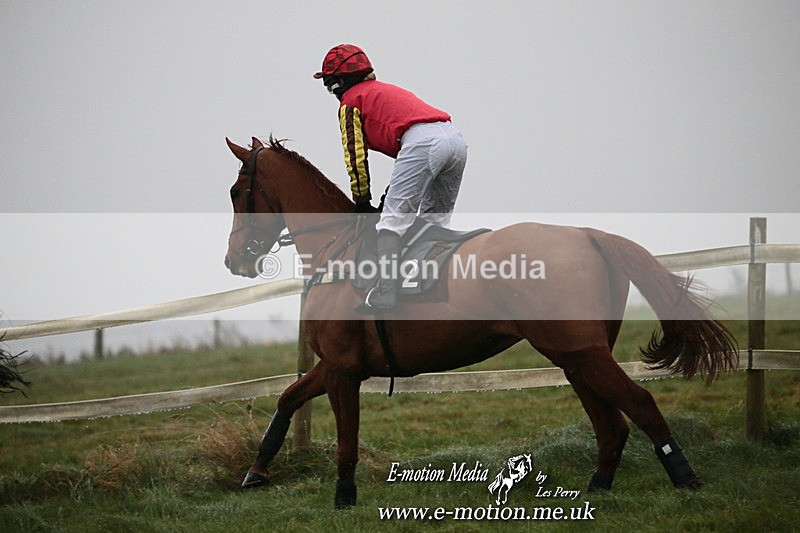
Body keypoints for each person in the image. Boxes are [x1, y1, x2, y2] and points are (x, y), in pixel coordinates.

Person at [313, 44, 467, 311]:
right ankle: (430, 285)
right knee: (434, 221)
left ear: (340, 82)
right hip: (455, 139)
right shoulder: (386, 90)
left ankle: (386, 291)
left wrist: (362, 200)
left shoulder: (351, 103)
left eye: (330, 85)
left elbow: (355, 155)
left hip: (422, 143)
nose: (331, 92)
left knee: (390, 224)